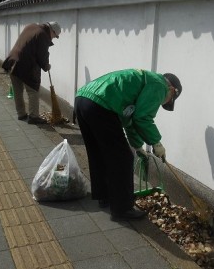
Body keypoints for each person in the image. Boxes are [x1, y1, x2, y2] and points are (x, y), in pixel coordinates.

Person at [74, 69, 182, 221]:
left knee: (98, 152)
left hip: (83, 99)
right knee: (123, 158)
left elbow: (130, 120)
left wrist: (138, 147)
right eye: (169, 99)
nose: (164, 101)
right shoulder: (159, 85)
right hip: (101, 106)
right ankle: (122, 209)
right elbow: (142, 117)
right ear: (171, 90)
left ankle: (104, 196)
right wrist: (156, 142)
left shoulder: (142, 80)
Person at [2, 21, 61, 125]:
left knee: (17, 91)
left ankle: (21, 114)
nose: (53, 38)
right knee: (33, 91)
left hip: (13, 61)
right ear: (52, 31)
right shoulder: (43, 35)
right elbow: (42, 55)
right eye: (55, 36)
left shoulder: (31, 26)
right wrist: (46, 66)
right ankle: (33, 117)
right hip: (26, 66)